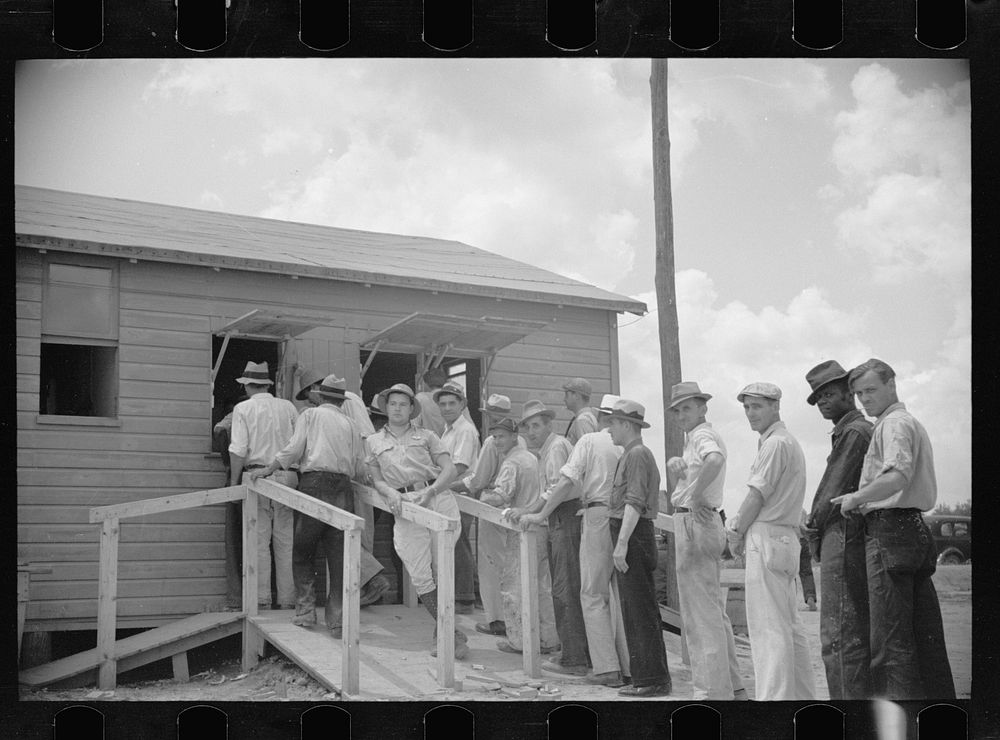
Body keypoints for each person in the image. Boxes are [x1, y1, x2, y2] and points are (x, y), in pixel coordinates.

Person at [832, 359, 955, 699]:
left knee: (890, 643)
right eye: (858, 394)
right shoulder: (907, 422)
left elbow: (896, 476)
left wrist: (856, 498)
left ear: (892, 384)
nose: (864, 400)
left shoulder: (893, 424)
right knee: (925, 637)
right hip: (914, 529)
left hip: (890, 531)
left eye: (871, 390)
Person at [519, 394, 631, 688]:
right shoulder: (628, 446)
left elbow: (566, 483)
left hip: (591, 512)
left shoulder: (587, 441)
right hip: (621, 517)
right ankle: (622, 663)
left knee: (587, 593)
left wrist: (538, 511)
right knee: (612, 594)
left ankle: (599, 665)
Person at [250, 374, 373, 633]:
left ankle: (306, 612)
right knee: (338, 555)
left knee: (303, 550)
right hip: (343, 487)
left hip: (314, 483)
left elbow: (294, 449)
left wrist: (269, 469)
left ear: (320, 395)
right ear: (341, 401)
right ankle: (337, 621)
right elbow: (359, 463)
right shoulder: (351, 423)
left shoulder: (310, 415)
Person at [364, 383, 469, 659]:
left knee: (443, 568)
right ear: (385, 408)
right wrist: (387, 491)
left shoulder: (428, 436)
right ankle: (451, 632)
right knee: (421, 575)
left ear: (412, 409)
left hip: (436, 499)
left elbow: (449, 470)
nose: (397, 408)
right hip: (406, 507)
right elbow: (376, 478)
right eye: (392, 403)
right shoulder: (373, 441)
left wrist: (431, 491)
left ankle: (446, 637)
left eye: (403, 404)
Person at [726, 382, 814, 700]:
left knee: (767, 631)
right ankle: (802, 700)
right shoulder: (785, 441)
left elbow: (755, 496)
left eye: (757, 406)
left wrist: (735, 533)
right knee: (789, 627)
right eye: (747, 407)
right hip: (786, 538)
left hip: (767, 535)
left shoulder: (775, 444)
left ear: (776, 406)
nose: (751, 413)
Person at [665, 382, 746, 700]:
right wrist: (679, 471)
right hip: (701, 520)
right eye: (678, 410)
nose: (682, 414)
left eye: (687, 407)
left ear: (702, 408)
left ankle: (711, 693)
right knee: (712, 611)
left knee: (701, 615)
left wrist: (696, 495)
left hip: (696, 522)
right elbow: (704, 466)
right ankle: (733, 687)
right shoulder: (692, 441)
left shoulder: (701, 435)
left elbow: (714, 460)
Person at [801, 359, 873, 698]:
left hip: (842, 536)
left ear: (849, 391)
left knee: (839, 635)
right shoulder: (849, 430)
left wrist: (811, 526)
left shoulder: (855, 431)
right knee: (844, 632)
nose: (824, 402)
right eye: (818, 398)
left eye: (829, 393)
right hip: (844, 535)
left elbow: (832, 492)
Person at [294, 368, 390, 607]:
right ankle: (360, 592)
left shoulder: (348, 403)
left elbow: (365, 438)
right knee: (341, 534)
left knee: (353, 534)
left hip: (360, 471)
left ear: (317, 389)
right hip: (351, 472)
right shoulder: (329, 411)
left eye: (309, 394)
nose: (311, 400)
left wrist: (366, 475)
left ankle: (372, 580)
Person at [506, 400, 589, 674]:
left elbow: (558, 489)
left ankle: (574, 659)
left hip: (565, 515)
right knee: (562, 585)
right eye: (527, 427)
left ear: (548, 425)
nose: (531, 431)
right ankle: (571, 652)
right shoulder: (548, 448)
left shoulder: (555, 448)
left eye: (536, 425)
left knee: (565, 587)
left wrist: (532, 512)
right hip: (559, 515)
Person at [603, 399, 672, 697]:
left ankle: (653, 680)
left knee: (640, 610)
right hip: (630, 534)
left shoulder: (638, 454)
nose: (609, 429)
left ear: (627, 425)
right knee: (634, 609)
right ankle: (646, 677)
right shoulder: (631, 454)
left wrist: (621, 545)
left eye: (614, 423)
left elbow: (634, 502)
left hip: (633, 536)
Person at [481, 417, 560, 654]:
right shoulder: (531, 458)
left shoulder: (512, 462)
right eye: (494, 437)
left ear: (515, 436)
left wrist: (484, 496)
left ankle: (519, 641)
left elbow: (500, 496)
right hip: (542, 526)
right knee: (541, 587)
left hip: (524, 529)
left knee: (514, 587)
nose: (497, 441)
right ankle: (549, 639)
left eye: (502, 436)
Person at [452, 393, 525, 637]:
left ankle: (496, 620)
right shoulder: (520, 442)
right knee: (511, 565)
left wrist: (448, 486)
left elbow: (479, 479)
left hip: (494, 505)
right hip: (515, 509)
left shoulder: (492, 442)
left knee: (490, 564)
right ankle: (513, 620)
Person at [228, 361, 299, 611]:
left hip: (257, 475)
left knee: (259, 542)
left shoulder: (243, 408)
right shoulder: (288, 407)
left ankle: (262, 601)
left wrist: (234, 482)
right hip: (286, 475)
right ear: (268, 385)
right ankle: (288, 600)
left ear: (248, 386)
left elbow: (238, 449)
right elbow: (299, 442)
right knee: (285, 540)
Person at [434, 381, 481, 614]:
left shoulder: (464, 429)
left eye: (452, 403)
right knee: (454, 542)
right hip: (450, 491)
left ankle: (464, 598)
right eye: (443, 404)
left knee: (458, 542)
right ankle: (466, 593)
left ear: (462, 404)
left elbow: (460, 465)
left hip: (461, 490)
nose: (447, 407)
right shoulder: (448, 429)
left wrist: (437, 485)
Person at [213, 392, 247, 610]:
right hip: (269, 477)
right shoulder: (280, 410)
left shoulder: (238, 413)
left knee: (235, 539)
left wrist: (228, 462)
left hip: (240, 475)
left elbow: (220, 429)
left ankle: (238, 599)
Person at [562, 378, 599, 445]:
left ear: (576, 396)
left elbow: (587, 450)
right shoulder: (585, 418)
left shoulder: (583, 420)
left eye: (567, 395)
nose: (564, 399)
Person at [797, 512, 817, 612]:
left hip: (792, 541)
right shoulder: (803, 511)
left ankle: (789, 602)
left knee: (790, 574)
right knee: (807, 572)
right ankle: (810, 597)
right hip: (804, 542)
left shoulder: (787, 508)